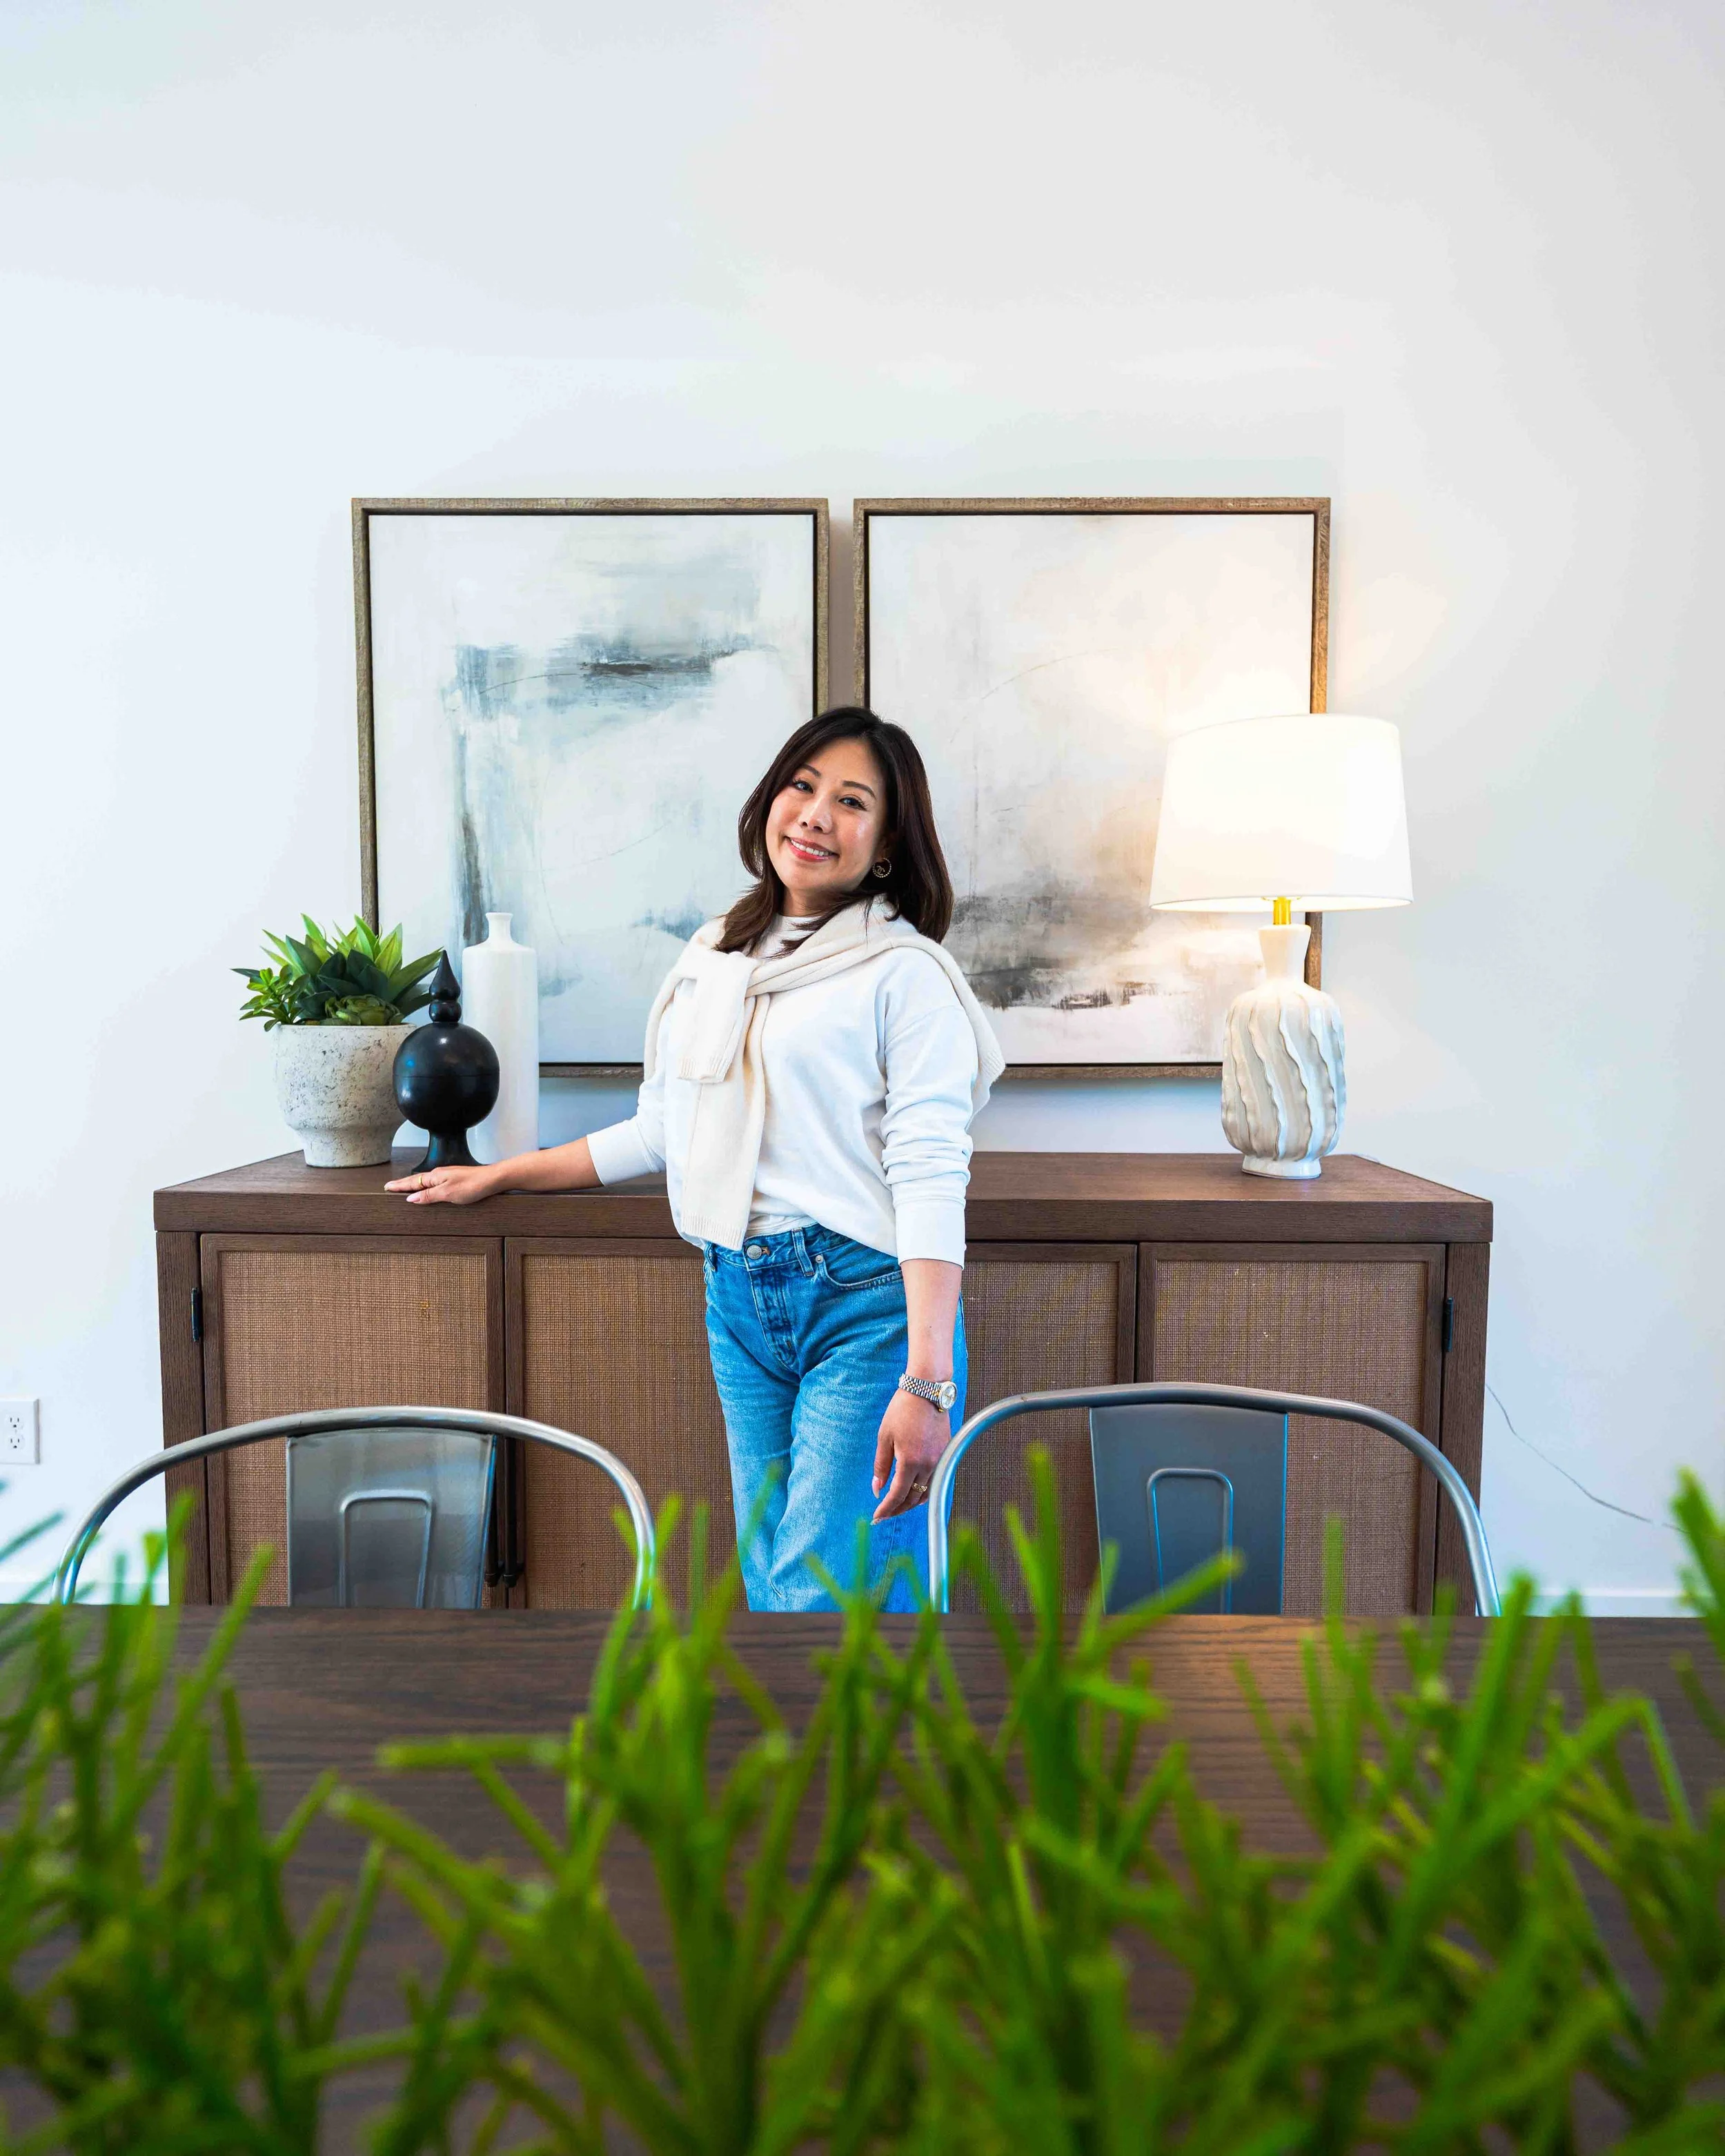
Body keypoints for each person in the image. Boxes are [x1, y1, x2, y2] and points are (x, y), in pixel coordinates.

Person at [386, 706, 1003, 1610]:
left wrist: (927, 1381)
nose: (816, 814)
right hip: (738, 1294)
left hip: (863, 1302)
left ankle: (867, 1755)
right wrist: (502, 1173)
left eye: (852, 801)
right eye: (803, 785)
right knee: (770, 1580)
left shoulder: (904, 977)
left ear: (886, 847)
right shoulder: (719, 957)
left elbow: (930, 1175)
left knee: (824, 1593)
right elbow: (669, 1131)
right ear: (770, 801)